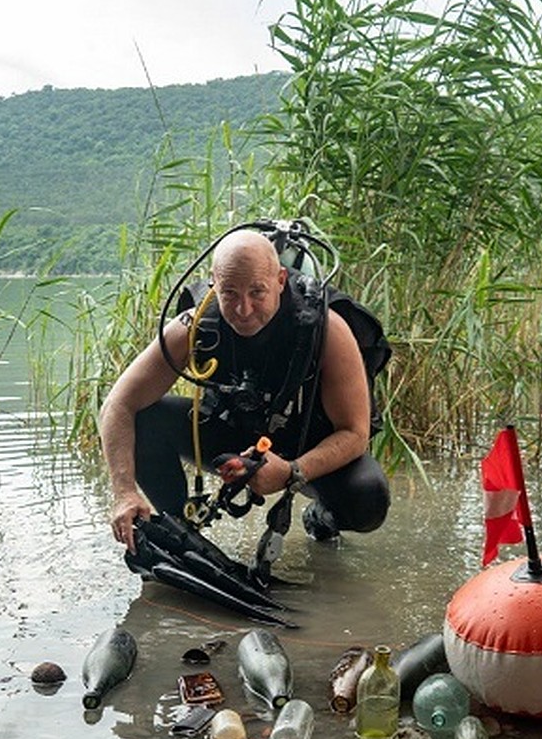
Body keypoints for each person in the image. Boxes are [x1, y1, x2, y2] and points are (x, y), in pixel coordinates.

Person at [100, 227, 390, 558]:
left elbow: (355, 432)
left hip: (307, 444)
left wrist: (292, 472)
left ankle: (322, 519)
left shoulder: (326, 330)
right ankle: (178, 530)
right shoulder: (194, 326)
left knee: (368, 497)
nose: (244, 309)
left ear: (280, 280)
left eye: (257, 292)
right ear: (214, 283)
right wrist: (124, 493)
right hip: (233, 435)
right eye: (230, 294)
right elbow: (118, 404)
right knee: (145, 419)